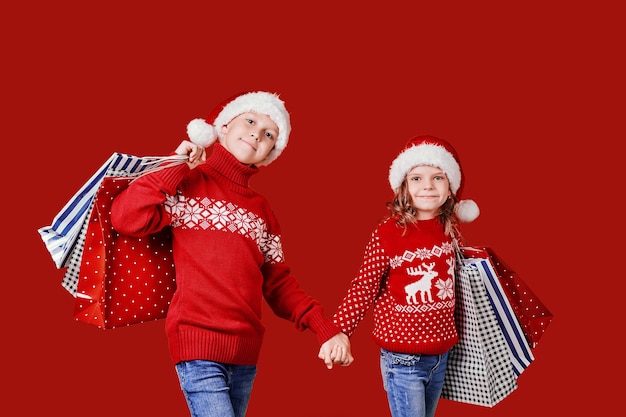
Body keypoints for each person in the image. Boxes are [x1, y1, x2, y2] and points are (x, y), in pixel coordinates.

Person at [110, 91, 352, 417]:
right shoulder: (187, 184)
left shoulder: (262, 211)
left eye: (269, 134)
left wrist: (325, 328)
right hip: (197, 342)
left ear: (269, 155)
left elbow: (279, 284)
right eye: (250, 121)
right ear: (222, 127)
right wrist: (175, 166)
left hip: (245, 353)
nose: (257, 133)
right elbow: (125, 218)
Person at [319, 135, 480, 417]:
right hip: (403, 358)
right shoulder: (389, 233)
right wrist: (339, 330)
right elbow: (364, 285)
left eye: (438, 177)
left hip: (441, 355)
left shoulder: (449, 231)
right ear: (404, 186)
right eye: (417, 178)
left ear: (451, 188)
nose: (428, 185)